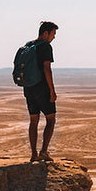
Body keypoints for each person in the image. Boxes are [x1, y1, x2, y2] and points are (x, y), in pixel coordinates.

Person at [24, 21, 58, 162]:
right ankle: (43, 151)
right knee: (51, 119)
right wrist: (52, 90)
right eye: (53, 34)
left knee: (33, 120)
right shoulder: (45, 46)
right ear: (45, 33)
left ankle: (33, 154)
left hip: (28, 88)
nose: (53, 37)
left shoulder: (28, 45)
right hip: (42, 88)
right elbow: (46, 69)